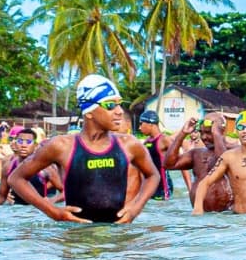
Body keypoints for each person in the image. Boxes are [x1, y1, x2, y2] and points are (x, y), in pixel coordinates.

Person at [9, 75, 160, 223]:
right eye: (110, 105)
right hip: (76, 237)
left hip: (118, 235)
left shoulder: (129, 144)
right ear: (89, 112)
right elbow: (16, 178)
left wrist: (136, 208)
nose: (120, 111)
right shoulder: (61, 146)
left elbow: (153, 175)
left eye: (119, 103)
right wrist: (54, 212)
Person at [193, 110, 246, 215]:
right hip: (239, 219)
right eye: (240, 127)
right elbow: (205, 183)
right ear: (236, 131)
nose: (245, 131)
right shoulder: (228, 157)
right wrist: (197, 208)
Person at [163, 112, 232, 212]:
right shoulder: (197, 154)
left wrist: (216, 133)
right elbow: (168, 164)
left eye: (208, 132)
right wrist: (183, 133)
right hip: (199, 217)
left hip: (225, 217)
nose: (203, 137)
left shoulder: (235, 152)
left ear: (222, 131)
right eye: (201, 132)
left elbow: (222, 161)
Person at [0, 127, 63, 206]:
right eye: (20, 141)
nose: (23, 145)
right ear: (15, 144)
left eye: (28, 142)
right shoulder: (8, 167)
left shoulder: (46, 168)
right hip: (16, 212)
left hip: (38, 212)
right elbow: (1, 196)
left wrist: (52, 200)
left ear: (35, 145)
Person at [137, 110, 173, 200]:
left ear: (151, 124)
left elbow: (180, 162)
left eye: (141, 124)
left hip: (163, 188)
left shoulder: (165, 140)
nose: (139, 128)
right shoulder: (146, 142)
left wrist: (189, 187)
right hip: (150, 188)